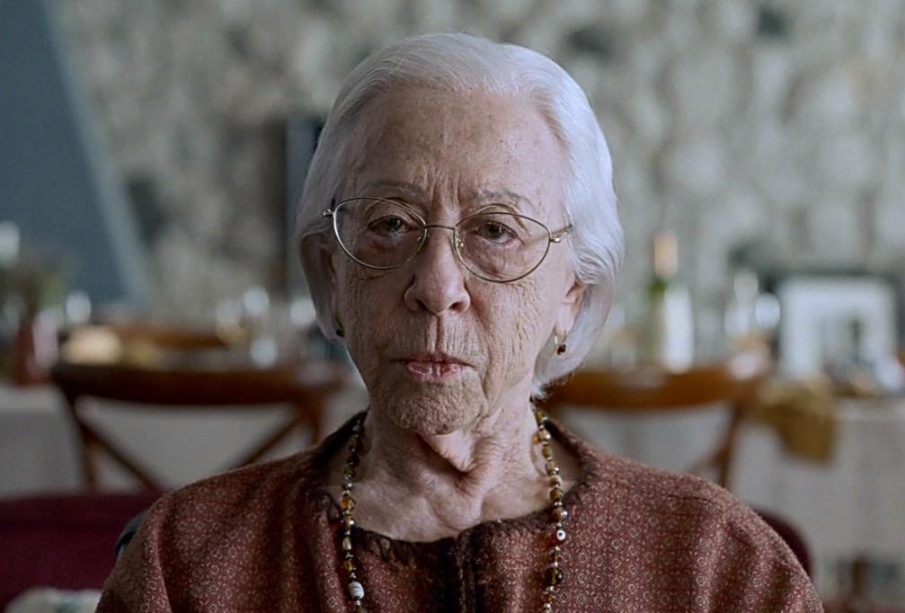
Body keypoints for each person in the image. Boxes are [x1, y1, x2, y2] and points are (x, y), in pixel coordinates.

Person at [98, 33, 821, 611]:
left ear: (572, 291)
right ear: (329, 270)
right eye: (390, 223)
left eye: (496, 230)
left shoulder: (713, 565)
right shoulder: (190, 563)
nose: (437, 286)